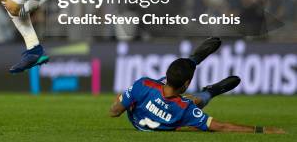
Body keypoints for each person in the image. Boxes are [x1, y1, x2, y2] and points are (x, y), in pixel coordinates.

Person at [109, 38, 285, 134]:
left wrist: (126, 98)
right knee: (196, 101)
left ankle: (194, 61)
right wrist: (260, 130)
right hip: (175, 101)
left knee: (185, 95)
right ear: (187, 84)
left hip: (150, 108)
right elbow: (221, 126)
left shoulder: (143, 85)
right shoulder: (183, 107)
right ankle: (211, 89)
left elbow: (114, 111)